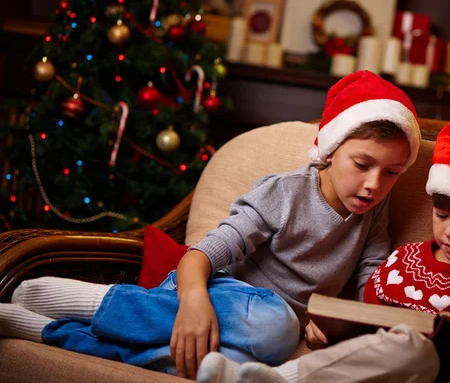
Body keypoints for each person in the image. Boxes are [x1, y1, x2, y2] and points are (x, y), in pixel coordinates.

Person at [0, 70, 422, 380]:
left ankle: (50, 331)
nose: (374, 185)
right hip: (223, 298)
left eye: (392, 173)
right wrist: (195, 301)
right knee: (276, 326)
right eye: (363, 165)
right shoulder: (285, 193)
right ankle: (86, 301)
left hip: (257, 338)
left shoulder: (373, 211)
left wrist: (352, 322)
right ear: (331, 150)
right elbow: (199, 255)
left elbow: (373, 278)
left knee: (232, 370)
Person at [195, 117, 450, 383]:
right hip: (402, 372)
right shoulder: (403, 266)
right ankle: (280, 380)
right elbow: (364, 331)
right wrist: (326, 330)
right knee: (414, 348)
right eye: (441, 215)